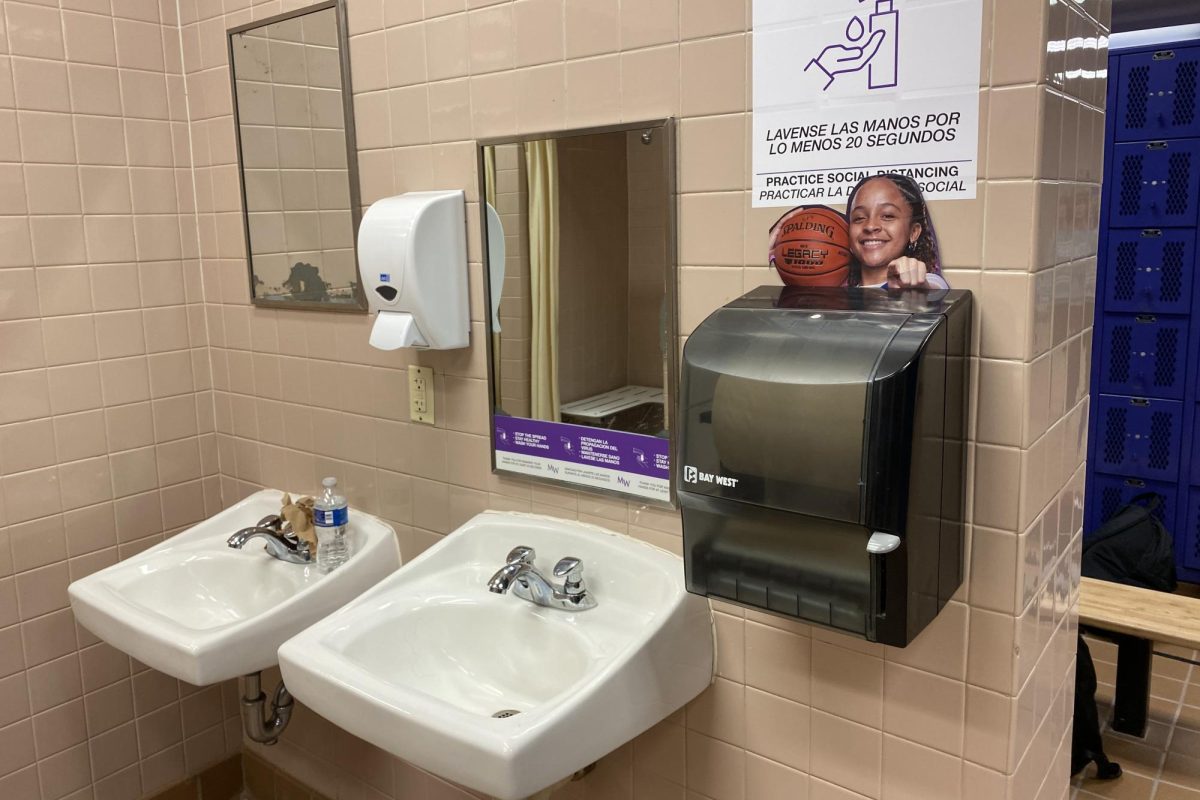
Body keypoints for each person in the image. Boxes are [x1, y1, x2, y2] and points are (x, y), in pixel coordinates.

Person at [845, 173, 949, 290]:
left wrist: (918, 287)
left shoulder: (928, 281)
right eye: (859, 218)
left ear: (913, 232)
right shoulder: (837, 289)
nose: (870, 226)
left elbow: (936, 291)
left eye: (888, 216)